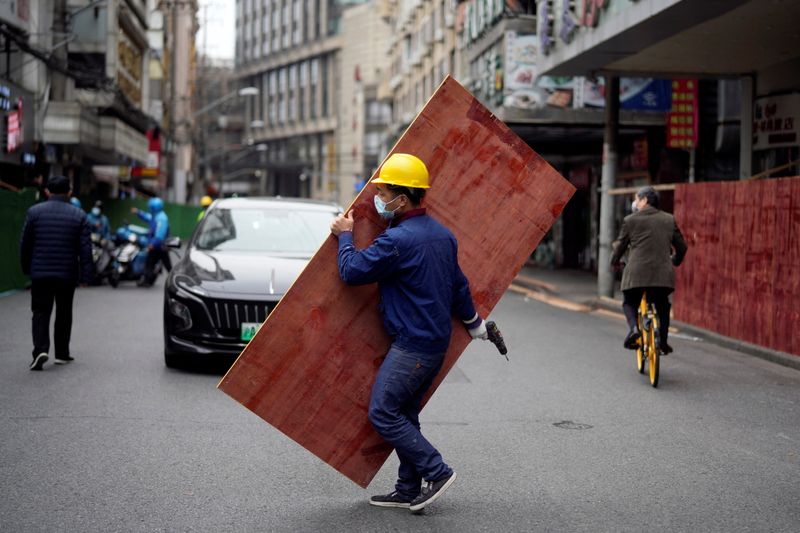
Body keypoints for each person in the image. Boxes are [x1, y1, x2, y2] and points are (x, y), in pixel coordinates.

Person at [329, 153, 489, 514]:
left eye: (383, 192)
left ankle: (437, 470)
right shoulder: (442, 236)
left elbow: (352, 271)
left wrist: (345, 235)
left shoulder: (398, 241)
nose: (378, 199)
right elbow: (459, 287)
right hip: (432, 345)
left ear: (402, 199)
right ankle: (407, 488)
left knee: (383, 411)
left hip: (412, 347)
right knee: (406, 414)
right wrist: (474, 323)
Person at [19, 175, 93, 370]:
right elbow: (85, 249)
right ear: (69, 192)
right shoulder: (79, 215)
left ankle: (40, 350)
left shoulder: (34, 212)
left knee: (40, 311)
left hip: (40, 274)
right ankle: (62, 353)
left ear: (47, 191)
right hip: (67, 274)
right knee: (64, 312)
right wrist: (86, 275)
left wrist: (27, 269)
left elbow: (25, 245)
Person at [611, 186, 688, 354]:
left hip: (636, 275)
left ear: (645, 200)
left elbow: (619, 247)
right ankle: (663, 342)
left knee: (629, 302)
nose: (636, 203)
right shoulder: (669, 219)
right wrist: (675, 260)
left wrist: (615, 262)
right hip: (662, 276)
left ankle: (634, 329)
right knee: (663, 306)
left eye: (637, 199)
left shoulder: (630, 220)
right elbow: (681, 247)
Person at [131, 197, 171, 287]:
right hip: (157, 245)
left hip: (159, 246)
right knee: (153, 263)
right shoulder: (156, 216)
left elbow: (160, 234)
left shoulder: (161, 218)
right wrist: (138, 212)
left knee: (152, 263)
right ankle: (147, 280)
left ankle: (147, 281)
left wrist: (153, 244)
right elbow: (147, 217)